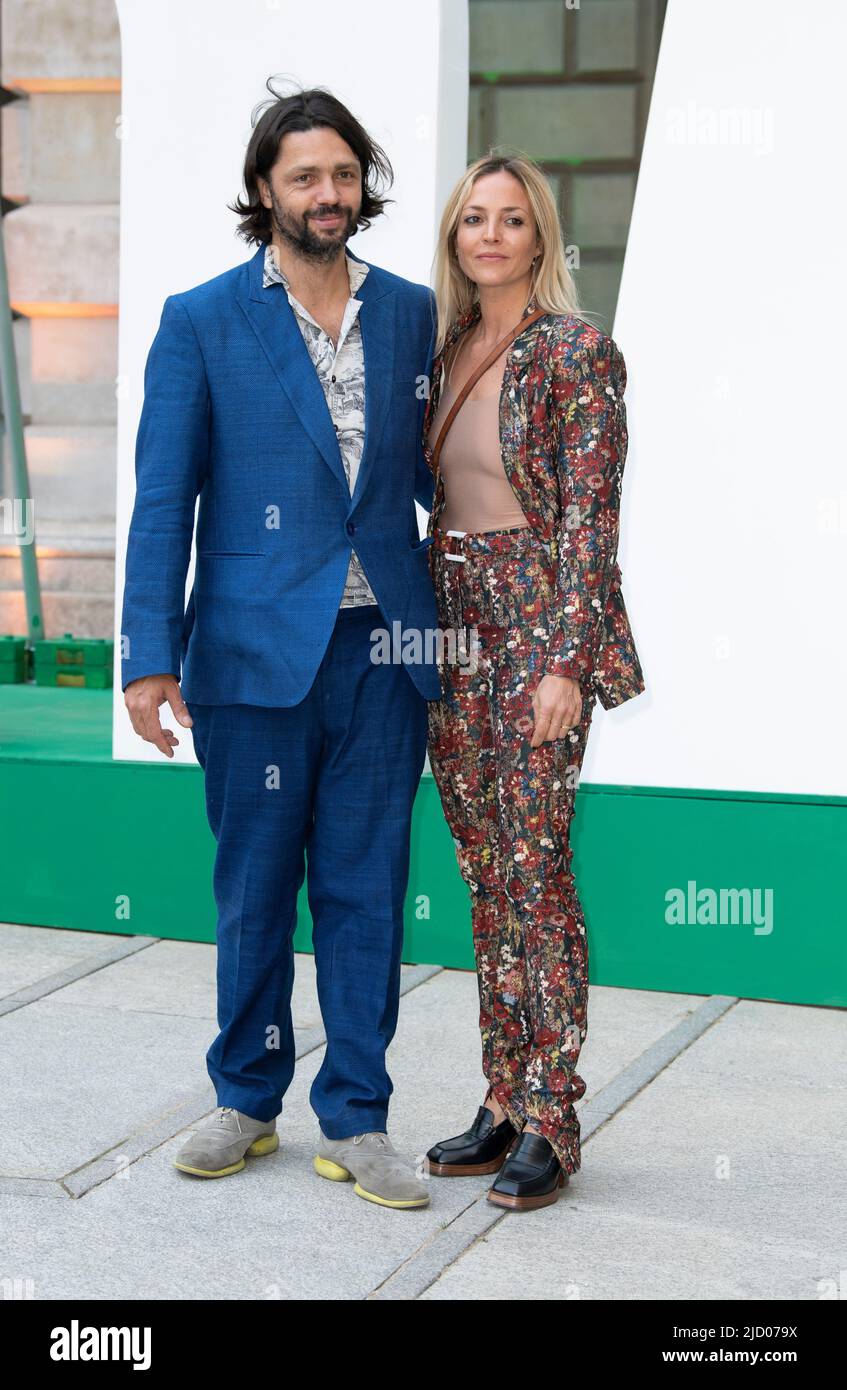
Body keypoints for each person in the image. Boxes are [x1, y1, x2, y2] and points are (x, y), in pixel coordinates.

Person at [121, 83, 442, 1210]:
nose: (327, 194)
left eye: (344, 174)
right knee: (256, 886)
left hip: (382, 651)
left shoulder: (409, 311)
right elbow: (166, 499)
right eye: (304, 176)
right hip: (252, 654)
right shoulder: (203, 318)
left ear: (365, 186)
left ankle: (357, 1115)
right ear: (265, 189)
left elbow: (434, 479)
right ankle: (247, 1096)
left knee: (367, 885)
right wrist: (147, 657)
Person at [421, 152, 645, 1211]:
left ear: (540, 236)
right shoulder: (445, 345)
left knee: (537, 869)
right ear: (455, 236)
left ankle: (554, 1115)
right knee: (482, 874)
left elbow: (589, 520)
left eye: (513, 219)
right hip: (450, 627)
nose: (492, 235)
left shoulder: (575, 352)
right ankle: (503, 1096)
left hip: (536, 618)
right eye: (475, 218)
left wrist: (567, 661)